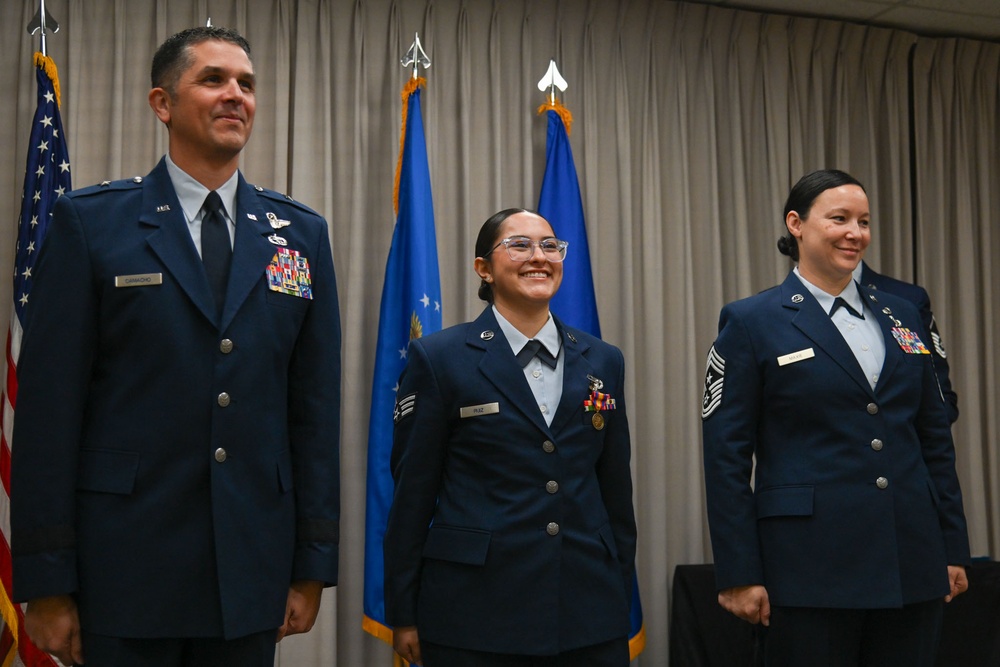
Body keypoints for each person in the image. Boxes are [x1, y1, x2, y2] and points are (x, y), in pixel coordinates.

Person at [11, 26, 341, 667]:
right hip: (125, 571)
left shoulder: (299, 234)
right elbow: (48, 417)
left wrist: (312, 562)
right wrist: (48, 581)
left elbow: (314, 412)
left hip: (250, 569)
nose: (235, 96)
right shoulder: (92, 224)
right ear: (162, 103)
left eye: (246, 84)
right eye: (213, 80)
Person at [701, 169, 970, 666]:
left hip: (909, 559)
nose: (856, 233)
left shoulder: (904, 315)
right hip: (808, 566)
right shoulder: (752, 320)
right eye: (840, 218)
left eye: (864, 222)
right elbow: (726, 457)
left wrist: (952, 545)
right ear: (796, 224)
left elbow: (934, 438)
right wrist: (739, 571)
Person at [384, 208, 636, 666]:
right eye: (519, 245)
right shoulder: (440, 359)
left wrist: (620, 589)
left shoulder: (604, 360)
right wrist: (403, 612)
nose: (539, 256)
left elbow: (616, 494)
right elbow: (411, 497)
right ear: (484, 268)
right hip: (475, 613)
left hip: (588, 611)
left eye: (550, 246)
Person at [855, 261, 959, 423]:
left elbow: (941, 399)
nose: (852, 235)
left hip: (900, 443)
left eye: (862, 232)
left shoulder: (906, 299)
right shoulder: (803, 297)